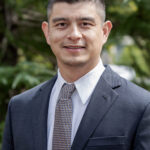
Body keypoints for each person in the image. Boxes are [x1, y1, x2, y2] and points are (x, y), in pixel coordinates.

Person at [2, 0, 150, 150]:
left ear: (105, 32)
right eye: (61, 24)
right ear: (47, 32)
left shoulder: (141, 107)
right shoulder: (20, 108)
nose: (74, 35)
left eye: (85, 24)